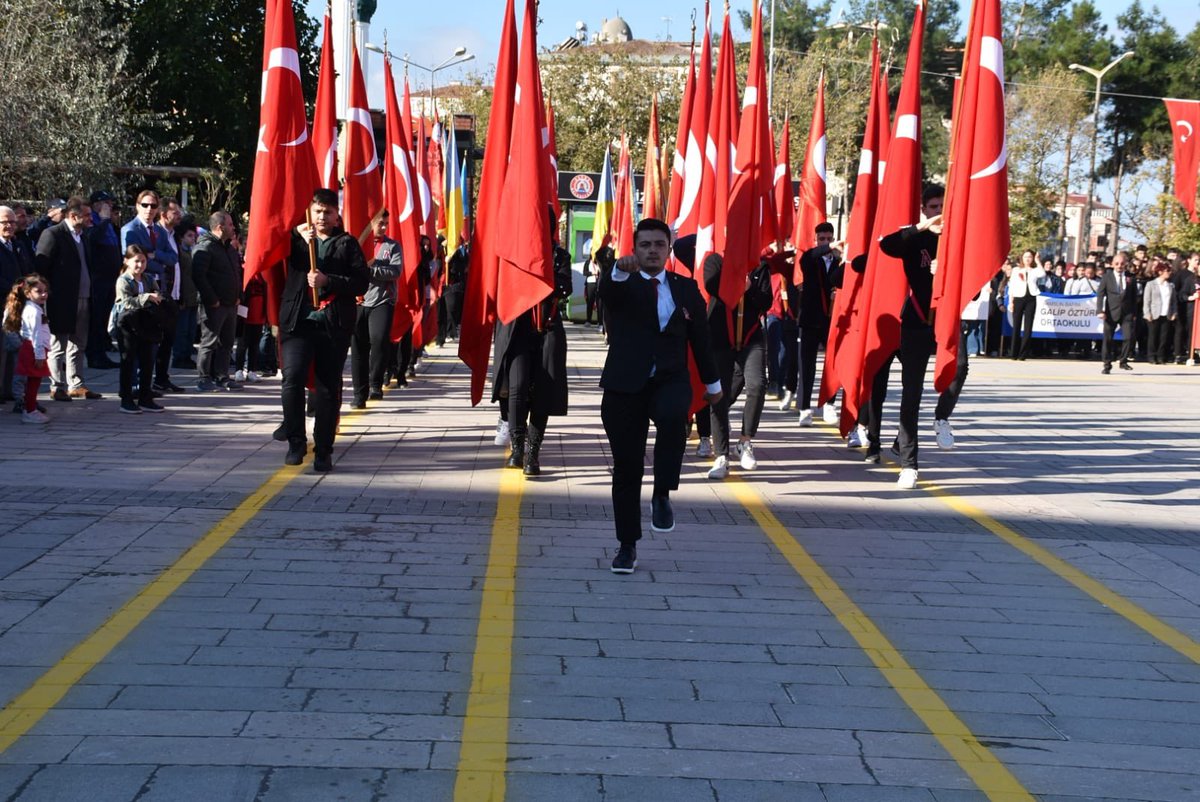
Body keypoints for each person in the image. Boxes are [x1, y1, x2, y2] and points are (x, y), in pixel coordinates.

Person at [599, 218, 721, 574]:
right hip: (625, 385)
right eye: (645, 245)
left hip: (670, 379)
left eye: (658, 245)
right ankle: (627, 546)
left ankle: (662, 492)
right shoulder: (623, 283)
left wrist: (713, 385)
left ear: (669, 250)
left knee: (672, 418)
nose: (652, 250)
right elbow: (609, 294)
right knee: (627, 468)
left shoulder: (685, 289)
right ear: (634, 249)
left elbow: (700, 340)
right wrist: (619, 271)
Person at [863, 184, 963, 489]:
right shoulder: (916, 237)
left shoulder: (957, 240)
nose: (939, 214)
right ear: (924, 209)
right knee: (911, 392)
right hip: (917, 320)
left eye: (942, 208)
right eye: (933, 208)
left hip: (946, 319)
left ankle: (941, 417)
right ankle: (908, 463)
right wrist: (923, 226)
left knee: (960, 368)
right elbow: (887, 246)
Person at [279, 188, 369, 472]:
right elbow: (270, 247)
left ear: (336, 214)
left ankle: (323, 448)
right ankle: (295, 440)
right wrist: (295, 234)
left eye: (327, 212)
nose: (321, 217)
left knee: (327, 388)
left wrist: (328, 279)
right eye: (317, 211)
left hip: (333, 325)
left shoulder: (347, 244)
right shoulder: (296, 241)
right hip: (298, 323)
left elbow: (360, 282)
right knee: (291, 379)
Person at [491, 224, 571, 476]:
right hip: (517, 328)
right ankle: (517, 448)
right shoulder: (511, 254)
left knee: (543, 391)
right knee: (517, 386)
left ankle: (533, 453)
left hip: (547, 328)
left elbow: (564, 287)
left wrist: (541, 270)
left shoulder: (560, 256)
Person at [700, 245, 773, 479]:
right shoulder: (714, 261)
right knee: (718, 393)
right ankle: (721, 454)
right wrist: (735, 279)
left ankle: (745, 441)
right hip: (720, 336)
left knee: (757, 384)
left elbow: (766, 301)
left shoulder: (760, 267)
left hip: (751, 336)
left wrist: (750, 288)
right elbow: (712, 286)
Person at [35, 196, 103, 402]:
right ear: (74, 216)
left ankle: (76, 384)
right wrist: (46, 297)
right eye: (87, 215)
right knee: (58, 345)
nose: (91, 219)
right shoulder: (53, 234)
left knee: (78, 344)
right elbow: (41, 268)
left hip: (83, 297)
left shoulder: (83, 236)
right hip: (61, 300)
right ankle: (57, 386)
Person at [350, 211, 403, 408]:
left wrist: (371, 269)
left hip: (382, 301)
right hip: (358, 302)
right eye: (380, 223)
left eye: (386, 224)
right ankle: (358, 394)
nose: (383, 227)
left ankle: (375, 383)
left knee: (379, 340)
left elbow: (395, 271)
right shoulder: (356, 244)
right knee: (358, 348)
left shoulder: (392, 246)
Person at [795, 222, 844, 425]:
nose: (826, 242)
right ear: (816, 240)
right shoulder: (809, 257)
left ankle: (829, 403)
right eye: (821, 239)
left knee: (832, 364)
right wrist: (828, 249)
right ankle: (805, 407)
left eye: (829, 239)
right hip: (810, 319)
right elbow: (808, 259)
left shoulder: (839, 260)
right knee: (807, 365)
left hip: (832, 320)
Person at [191, 211, 242, 392]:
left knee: (227, 342)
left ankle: (222, 376)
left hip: (230, 304)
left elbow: (236, 272)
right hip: (214, 305)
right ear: (220, 227)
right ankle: (204, 378)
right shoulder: (205, 247)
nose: (233, 227)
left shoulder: (228, 248)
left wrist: (238, 295)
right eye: (230, 224)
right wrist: (211, 299)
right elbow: (198, 276)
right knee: (209, 342)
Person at [113, 245, 167, 414]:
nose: (140, 265)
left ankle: (145, 396)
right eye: (136, 261)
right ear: (127, 261)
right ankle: (126, 399)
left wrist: (156, 297)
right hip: (128, 325)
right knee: (128, 360)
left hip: (146, 324)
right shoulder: (123, 280)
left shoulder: (148, 278)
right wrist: (147, 297)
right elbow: (126, 302)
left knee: (147, 360)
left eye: (143, 261)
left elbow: (159, 294)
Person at [4, 274, 52, 423]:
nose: (44, 294)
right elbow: (36, 335)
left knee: (34, 381)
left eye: (45, 290)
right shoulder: (33, 311)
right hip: (33, 348)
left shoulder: (36, 308)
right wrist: (39, 355)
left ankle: (30, 408)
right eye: (38, 291)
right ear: (27, 293)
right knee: (32, 381)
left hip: (35, 348)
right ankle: (29, 410)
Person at [84, 191, 122, 371]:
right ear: (96, 204)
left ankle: (102, 352)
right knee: (96, 319)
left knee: (104, 318)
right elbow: (92, 239)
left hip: (110, 278)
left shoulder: (108, 223)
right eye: (106, 202)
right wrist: (105, 219)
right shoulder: (92, 219)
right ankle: (94, 355)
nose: (109, 206)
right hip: (97, 278)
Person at [1097, 251, 1137, 374]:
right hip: (1111, 312)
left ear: (1125, 264)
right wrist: (1100, 310)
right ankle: (1107, 364)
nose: (1119, 266)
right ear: (1113, 264)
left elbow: (1134, 296)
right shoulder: (1106, 277)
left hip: (1127, 313)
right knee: (1108, 339)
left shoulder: (1131, 277)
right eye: (1117, 263)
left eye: (1122, 263)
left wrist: (1134, 313)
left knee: (1129, 337)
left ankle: (1123, 360)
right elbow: (1101, 294)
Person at [171, 217, 200, 370]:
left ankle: (187, 355)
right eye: (189, 235)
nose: (193, 238)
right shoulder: (179, 253)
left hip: (193, 295)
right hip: (183, 294)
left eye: (194, 236)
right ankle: (179, 356)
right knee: (182, 329)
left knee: (190, 329)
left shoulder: (193, 251)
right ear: (181, 237)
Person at [1007, 249, 1043, 360]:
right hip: (1018, 298)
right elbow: (1012, 286)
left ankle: (1023, 354)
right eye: (1025, 257)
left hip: (1031, 298)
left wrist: (1038, 261)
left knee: (1028, 327)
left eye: (1030, 257)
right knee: (1016, 326)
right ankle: (1014, 353)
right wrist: (1011, 301)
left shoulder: (1035, 270)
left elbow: (1042, 273)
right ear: (1022, 258)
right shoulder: (1016, 270)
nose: (1027, 259)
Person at [1143, 263, 1177, 365]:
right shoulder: (1151, 284)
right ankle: (1151, 356)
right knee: (1153, 337)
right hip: (1154, 314)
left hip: (1166, 314)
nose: (1169, 273)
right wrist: (1147, 313)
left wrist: (1174, 312)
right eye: (1167, 271)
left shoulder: (1170, 285)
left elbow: (1173, 301)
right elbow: (1147, 300)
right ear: (1160, 272)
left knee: (1164, 337)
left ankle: (1161, 356)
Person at [1174, 252, 1198, 364]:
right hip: (1186, 309)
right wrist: (1190, 297)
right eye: (1196, 260)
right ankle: (1180, 354)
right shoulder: (1186, 276)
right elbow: (1180, 293)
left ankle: (1193, 353)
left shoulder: (1196, 278)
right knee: (1183, 331)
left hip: (1197, 311)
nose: (1197, 263)